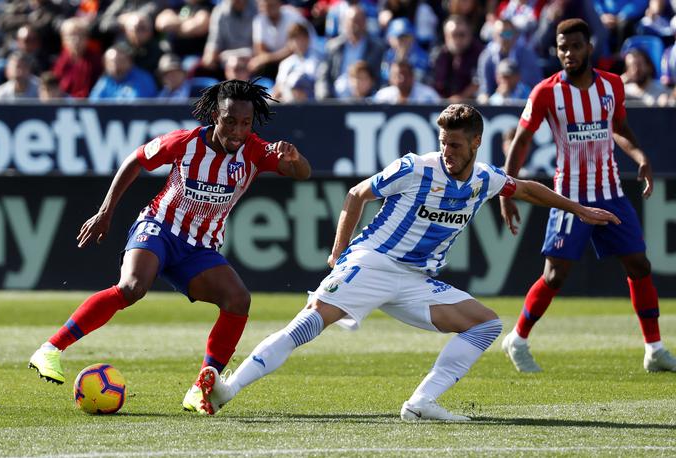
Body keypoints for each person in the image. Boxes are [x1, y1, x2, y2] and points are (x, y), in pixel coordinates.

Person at [190, 103, 619, 419]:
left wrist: (579, 210)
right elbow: (357, 194)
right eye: (443, 143)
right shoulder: (416, 168)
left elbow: (525, 188)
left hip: (416, 279)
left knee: (486, 324)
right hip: (374, 261)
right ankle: (227, 390)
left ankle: (421, 403)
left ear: (475, 143)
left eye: (455, 144)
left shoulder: (485, 178)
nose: (447, 151)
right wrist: (340, 252)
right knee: (310, 322)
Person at [28, 80, 312, 415]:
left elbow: (301, 174)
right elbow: (135, 160)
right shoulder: (185, 142)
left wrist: (295, 158)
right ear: (215, 116)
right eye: (229, 121)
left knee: (238, 300)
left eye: (245, 123)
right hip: (159, 228)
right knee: (132, 288)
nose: (237, 131)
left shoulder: (254, 150)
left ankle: (200, 388)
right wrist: (106, 212)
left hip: (200, 248)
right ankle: (51, 348)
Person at [499, 18, 676, 373]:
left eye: (575, 46)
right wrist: (507, 190)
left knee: (639, 264)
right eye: (562, 48)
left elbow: (620, 129)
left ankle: (654, 349)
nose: (568, 53)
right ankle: (517, 338)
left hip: (610, 193)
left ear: (589, 47)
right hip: (570, 197)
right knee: (554, 276)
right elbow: (521, 142)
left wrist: (640, 157)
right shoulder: (546, 92)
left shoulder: (611, 85)